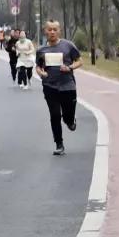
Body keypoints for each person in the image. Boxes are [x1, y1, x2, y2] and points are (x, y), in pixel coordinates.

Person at [35, 21, 82, 155]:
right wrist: (41, 73)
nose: (52, 32)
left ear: (59, 31)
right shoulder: (41, 50)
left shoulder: (68, 46)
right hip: (50, 86)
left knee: (67, 117)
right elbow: (38, 66)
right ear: (45, 31)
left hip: (68, 86)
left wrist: (70, 67)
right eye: (49, 30)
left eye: (55, 29)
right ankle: (59, 144)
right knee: (55, 115)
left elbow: (80, 61)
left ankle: (70, 120)